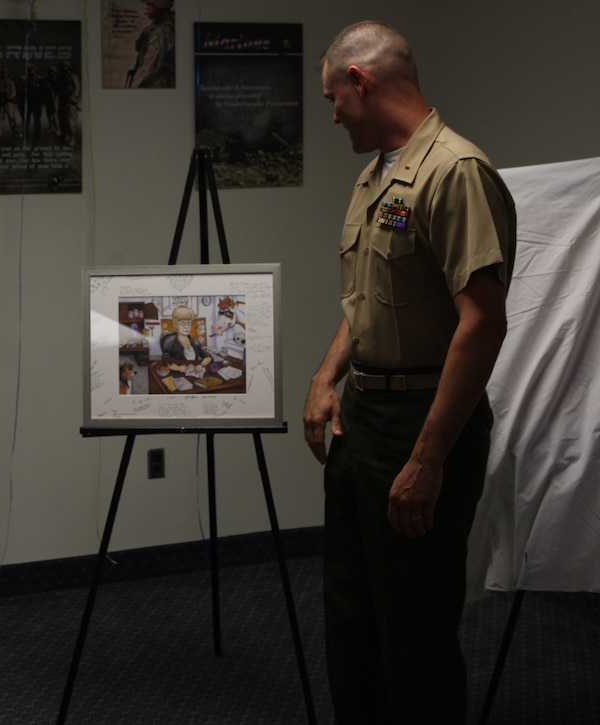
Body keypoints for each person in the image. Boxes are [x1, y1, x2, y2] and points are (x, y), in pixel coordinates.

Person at [303, 22, 516, 725]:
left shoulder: (455, 171)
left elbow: (482, 322)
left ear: (361, 82)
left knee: (414, 630)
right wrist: (326, 375)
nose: (333, 115)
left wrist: (428, 459)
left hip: (422, 421)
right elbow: (366, 300)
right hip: (364, 418)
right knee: (352, 616)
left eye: (335, 98)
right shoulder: (379, 173)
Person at [128, 0, 175, 89]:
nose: (147, 8)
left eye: (150, 4)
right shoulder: (155, 28)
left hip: (156, 86)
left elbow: (149, 67)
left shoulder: (161, 32)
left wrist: (133, 88)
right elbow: (138, 46)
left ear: (159, 7)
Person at [159, 305, 212, 373]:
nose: (186, 326)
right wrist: (178, 368)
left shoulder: (195, 343)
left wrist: (201, 365)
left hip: (193, 374)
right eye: (182, 323)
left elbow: (208, 356)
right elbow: (166, 361)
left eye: (189, 323)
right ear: (176, 325)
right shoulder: (170, 342)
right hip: (176, 374)